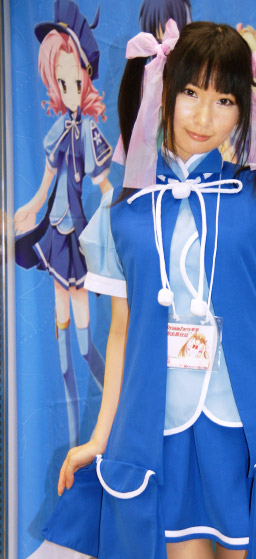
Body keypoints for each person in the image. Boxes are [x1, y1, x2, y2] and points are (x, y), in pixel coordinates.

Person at [44, 20, 256, 559]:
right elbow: (122, 333)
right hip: (164, 438)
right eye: (191, 92)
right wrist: (99, 437)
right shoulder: (124, 209)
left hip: (248, 435)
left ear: (247, 108)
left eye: (225, 98)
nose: (204, 116)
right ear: (162, 89)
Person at [14, 0, 112, 447]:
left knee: (86, 344)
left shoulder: (89, 132)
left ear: (87, 78)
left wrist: (116, 218)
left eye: (76, 81)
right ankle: (73, 437)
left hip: (78, 240)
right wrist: (29, 208)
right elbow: (45, 185)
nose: (70, 91)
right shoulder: (57, 132)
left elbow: (105, 185)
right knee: (62, 349)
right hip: (55, 233)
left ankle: (112, 413)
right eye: (62, 82)